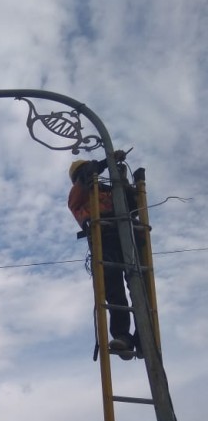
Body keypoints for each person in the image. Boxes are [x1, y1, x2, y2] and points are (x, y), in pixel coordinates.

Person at [68, 152, 143, 360]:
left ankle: (144, 338)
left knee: (140, 286)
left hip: (127, 235)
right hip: (104, 237)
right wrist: (107, 162)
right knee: (114, 290)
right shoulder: (78, 193)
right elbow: (88, 173)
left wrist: (123, 180)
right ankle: (122, 336)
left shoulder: (110, 192)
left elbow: (133, 208)